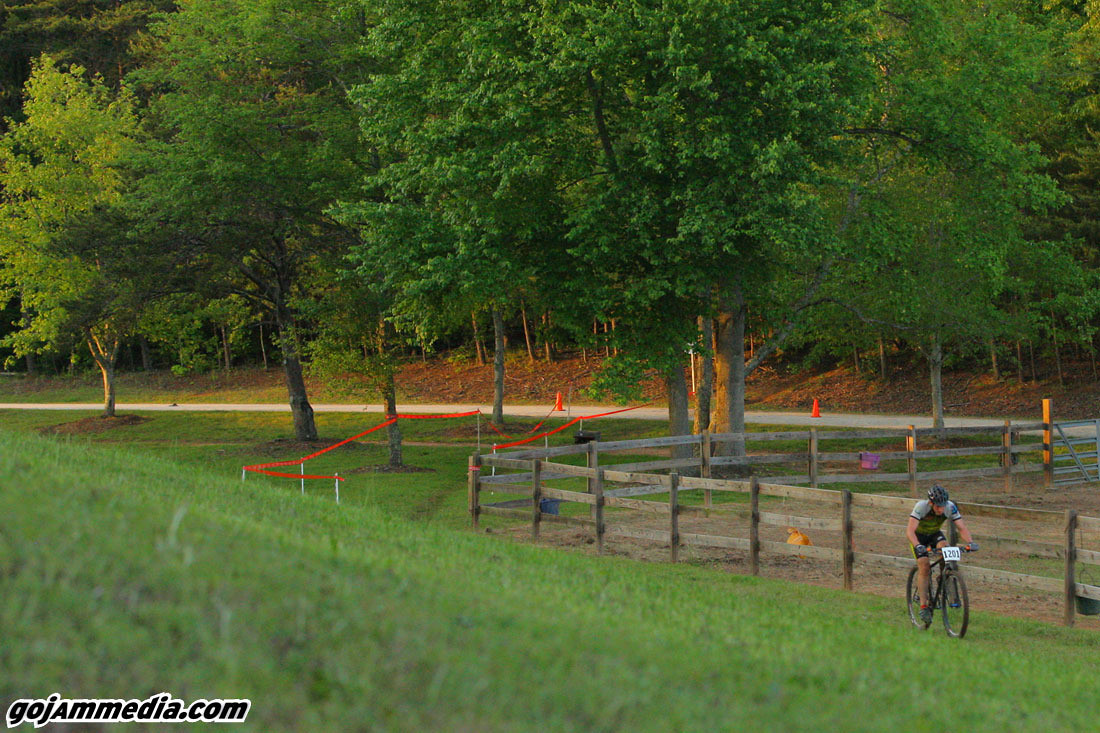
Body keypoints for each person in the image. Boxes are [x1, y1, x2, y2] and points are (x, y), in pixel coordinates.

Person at [907, 484, 977, 624]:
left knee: (946, 550)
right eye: (938, 506)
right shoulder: (921, 507)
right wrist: (918, 546)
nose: (941, 509)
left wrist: (970, 542)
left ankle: (944, 576)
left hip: (934, 535)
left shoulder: (950, 507)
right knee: (924, 566)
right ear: (931, 503)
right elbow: (910, 531)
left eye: (942, 506)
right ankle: (923, 605)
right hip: (918, 537)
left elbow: (961, 527)